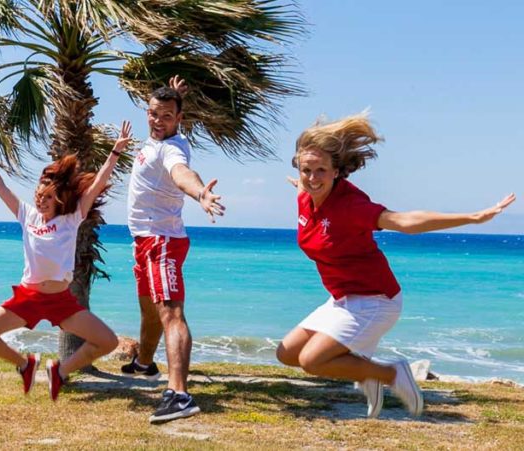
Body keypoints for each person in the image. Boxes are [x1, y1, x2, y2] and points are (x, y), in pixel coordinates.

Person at [275, 112, 516, 418]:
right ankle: (366, 374)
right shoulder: (306, 196)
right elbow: (304, 186)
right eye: (306, 170)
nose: (312, 178)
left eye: (320, 170)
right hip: (341, 299)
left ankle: (392, 374)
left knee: (312, 361)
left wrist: (473, 217)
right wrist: (302, 180)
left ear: (337, 171)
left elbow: (405, 221)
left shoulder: (351, 207)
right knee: (287, 353)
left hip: (375, 301)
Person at [0, 123, 130, 400]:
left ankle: (60, 371)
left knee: (108, 341)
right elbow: (0, 187)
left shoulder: (71, 219)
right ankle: (25, 364)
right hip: (27, 298)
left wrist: (115, 152)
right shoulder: (27, 215)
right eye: (38, 195)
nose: (41, 200)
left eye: (48, 197)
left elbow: (97, 184)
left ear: (59, 199)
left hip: (60, 301)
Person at [121, 76, 225, 424]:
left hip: (161, 240)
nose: (158, 121)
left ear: (179, 119)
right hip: (144, 240)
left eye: (167, 116)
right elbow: (167, 116)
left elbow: (182, 173)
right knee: (149, 310)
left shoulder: (171, 150)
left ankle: (179, 395)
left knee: (170, 314)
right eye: (154, 114)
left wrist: (201, 194)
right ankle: (145, 364)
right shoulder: (160, 137)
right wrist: (174, 97)